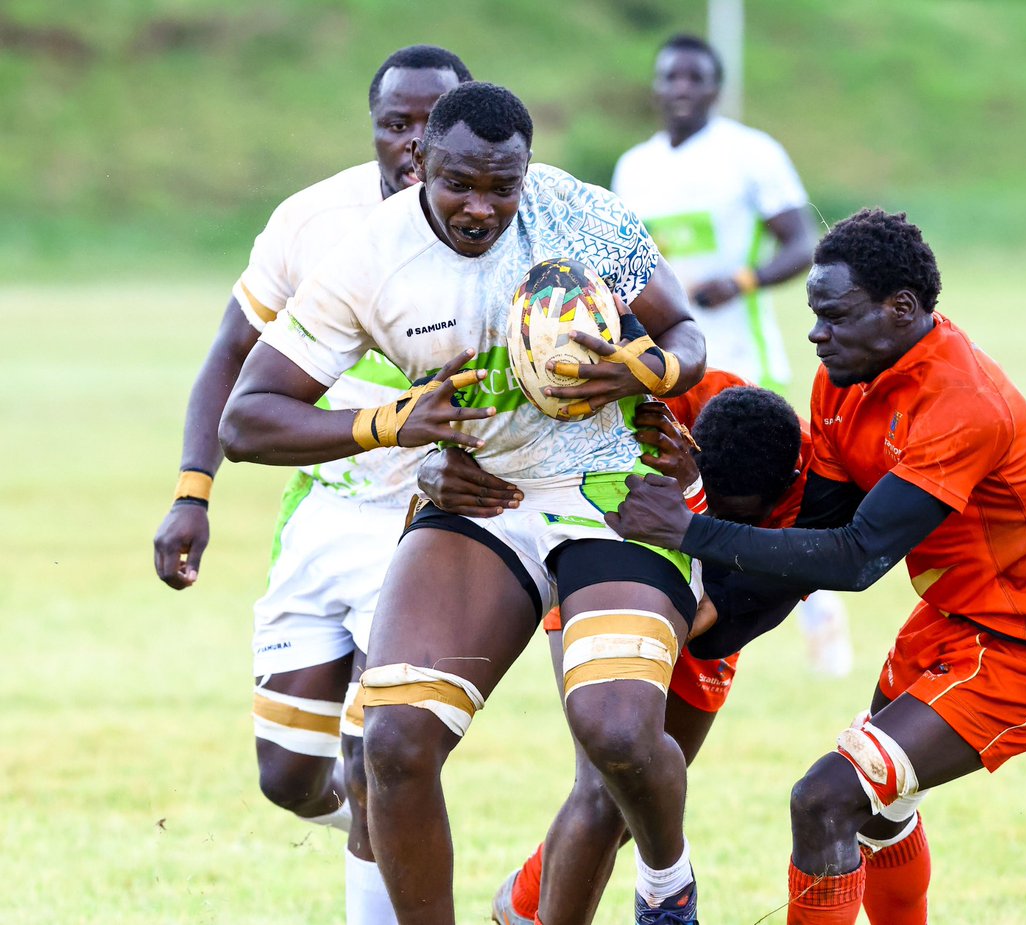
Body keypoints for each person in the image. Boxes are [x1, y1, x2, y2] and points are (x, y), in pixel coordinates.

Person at [219, 82, 710, 925]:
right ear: (418, 163)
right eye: (459, 184)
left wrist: (647, 371)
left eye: (502, 186)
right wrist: (390, 425)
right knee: (395, 743)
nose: (481, 206)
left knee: (619, 731)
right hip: (481, 497)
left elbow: (687, 334)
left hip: (610, 492)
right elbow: (247, 418)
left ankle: (667, 884)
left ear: (527, 172)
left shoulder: (583, 212)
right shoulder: (369, 258)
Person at [607, 209, 1026, 924]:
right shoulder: (843, 379)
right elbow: (818, 528)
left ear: (900, 308)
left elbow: (854, 558)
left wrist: (691, 530)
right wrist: (718, 614)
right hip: (947, 623)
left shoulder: (962, 405)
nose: (817, 334)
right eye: (814, 315)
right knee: (879, 814)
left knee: (826, 799)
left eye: (834, 316)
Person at [151, 45, 472, 925]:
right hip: (326, 507)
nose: (411, 142)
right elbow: (230, 355)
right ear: (372, 129)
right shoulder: (312, 220)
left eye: (429, 125)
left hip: (429, 521)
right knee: (289, 778)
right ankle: (395, 842)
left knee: (380, 760)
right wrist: (192, 490)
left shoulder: (491, 227)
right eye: (394, 124)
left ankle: (389, 842)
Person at [427, 374, 810, 925]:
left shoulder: (809, 479)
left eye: (741, 515)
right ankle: (550, 908)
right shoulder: (663, 401)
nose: (727, 517)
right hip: (603, 559)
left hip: (723, 597)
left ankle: (524, 901)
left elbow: (742, 611)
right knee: (606, 780)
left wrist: (702, 523)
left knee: (637, 797)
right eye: (715, 501)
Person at [613, 34, 853, 679]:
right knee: (688, 492)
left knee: (788, 502)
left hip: (748, 365)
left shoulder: (751, 154)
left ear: (714, 88)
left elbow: (802, 242)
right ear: (657, 87)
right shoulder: (634, 167)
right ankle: (690, 625)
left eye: (695, 78)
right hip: (674, 365)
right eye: (671, 77)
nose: (682, 88)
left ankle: (820, 626)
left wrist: (743, 281)